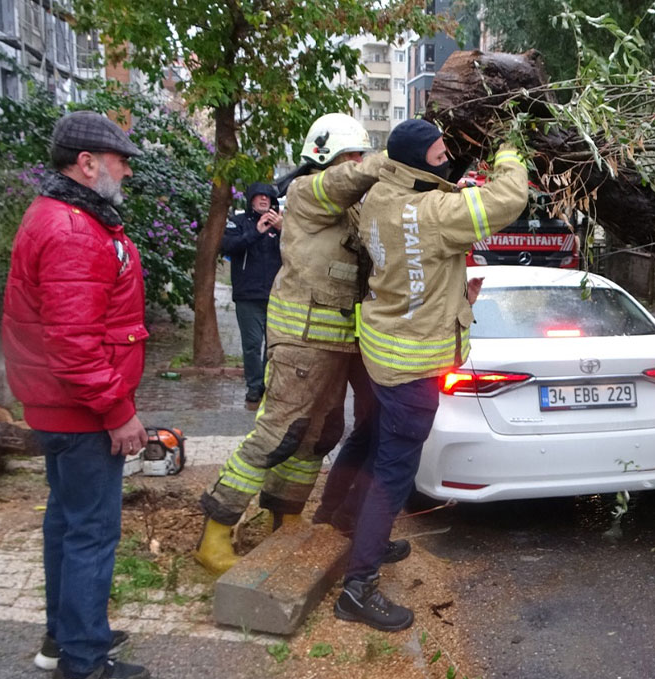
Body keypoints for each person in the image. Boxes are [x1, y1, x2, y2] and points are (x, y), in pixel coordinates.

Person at [333, 119, 531, 631]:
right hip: (415, 368)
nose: (446, 161)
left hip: (382, 352)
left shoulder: (377, 196)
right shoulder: (437, 213)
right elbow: (507, 200)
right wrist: (510, 148)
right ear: (417, 162)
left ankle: (346, 522)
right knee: (393, 478)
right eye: (440, 154)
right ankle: (358, 586)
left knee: (373, 444)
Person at [195, 113, 388, 575]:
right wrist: (393, 157)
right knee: (278, 432)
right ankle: (215, 531)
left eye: (361, 156)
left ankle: (286, 517)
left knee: (319, 435)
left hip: (338, 341)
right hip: (302, 338)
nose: (358, 164)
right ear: (326, 159)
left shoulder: (353, 206)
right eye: (351, 156)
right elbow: (353, 178)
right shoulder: (308, 192)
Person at [1, 111, 151, 679]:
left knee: (66, 522)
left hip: (58, 404)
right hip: (81, 409)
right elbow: (74, 343)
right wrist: (119, 412)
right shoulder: (72, 229)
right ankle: (83, 664)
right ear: (86, 164)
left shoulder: (63, 216)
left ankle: (63, 637)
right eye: (120, 161)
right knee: (90, 530)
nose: (128, 171)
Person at [219, 182, 284, 410]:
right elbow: (227, 246)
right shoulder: (238, 222)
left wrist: (283, 229)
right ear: (250, 201)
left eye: (267, 198)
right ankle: (254, 387)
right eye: (259, 197)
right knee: (252, 344)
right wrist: (255, 232)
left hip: (276, 295)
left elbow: (299, 250)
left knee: (273, 345)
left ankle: (268, 385)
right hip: (248, 295)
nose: (264, 201)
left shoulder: (281, 224)